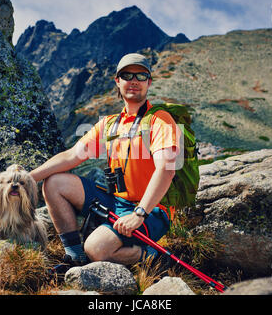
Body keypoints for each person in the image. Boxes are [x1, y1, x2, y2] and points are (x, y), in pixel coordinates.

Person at [30, 53, 180, 266]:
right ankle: (74, 255)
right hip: (116, 201)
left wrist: (139, 214)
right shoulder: (110, 124)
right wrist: (27, 178)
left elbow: (166, 169)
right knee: (54, 183)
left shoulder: (160, 120)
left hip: (152, 210)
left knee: (97, 249)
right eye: (127, 75)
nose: (134, 81)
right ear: (118, 82)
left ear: (149, 82)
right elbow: (72, 155)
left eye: (141, 75)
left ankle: (153, 257)